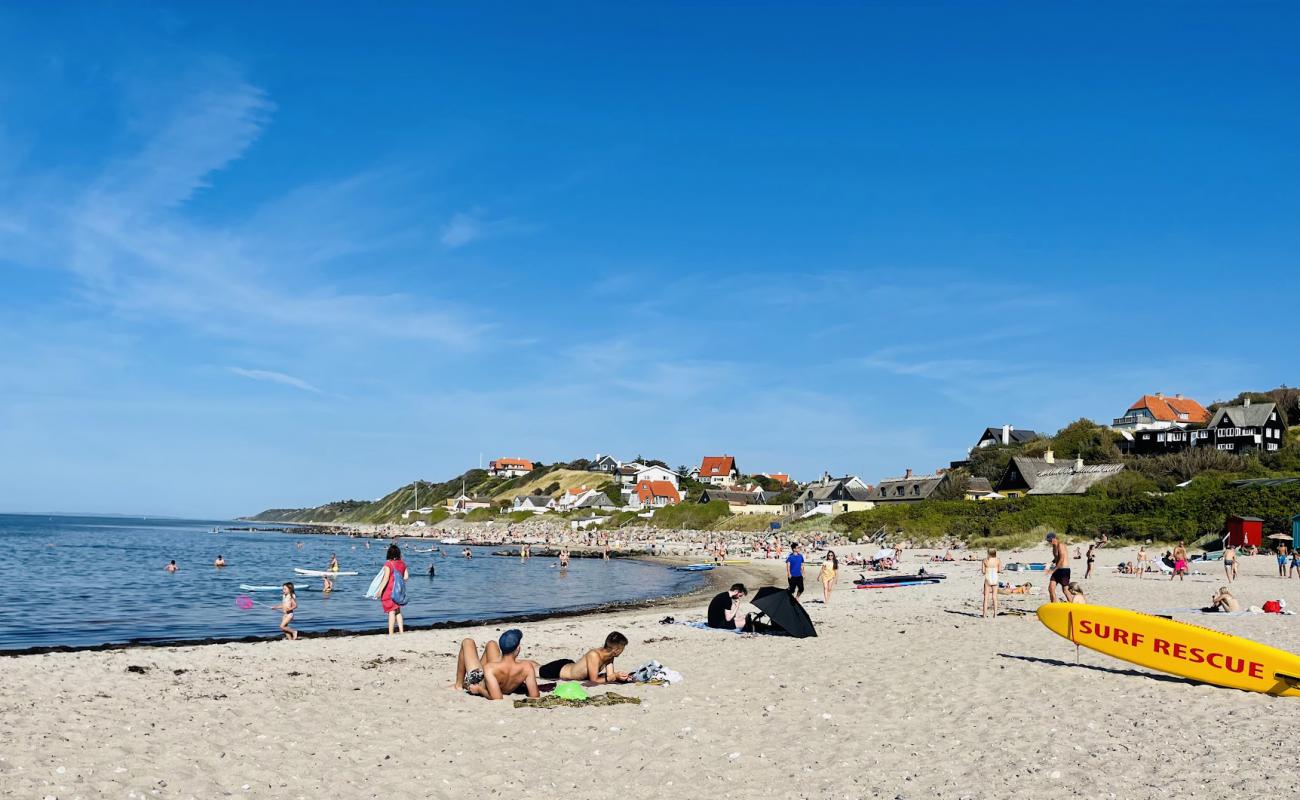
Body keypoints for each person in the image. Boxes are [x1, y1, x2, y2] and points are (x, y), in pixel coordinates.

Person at [453, 629, 540, 700]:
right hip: (498, 678)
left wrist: (479, 690)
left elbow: (497, 697)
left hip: (478, 682)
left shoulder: (489, 668)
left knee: (467, 641)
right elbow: (534, 695)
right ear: (518, 649)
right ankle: (475, 669)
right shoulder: (527, 667)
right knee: (491, 644)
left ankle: (458, 685)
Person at [537, 632, 631, 683]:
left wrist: (619, 676)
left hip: (571, 665)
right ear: (616, 649)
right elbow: (594, 681)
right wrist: (614, 676)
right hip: (558, 671)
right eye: (622, 648)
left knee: (536, 666)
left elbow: (610, 676)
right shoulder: (594, 655)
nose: (623, 650)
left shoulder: (610, 656)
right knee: (534, 670)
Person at [376, 544, 409, 635]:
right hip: (399, 591)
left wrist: (380, 591)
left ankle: (391, 633)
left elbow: (385, 579)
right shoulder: (403, 563)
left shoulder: (388, 564)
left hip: (389, 591)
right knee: (398, 611)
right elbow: (406, 577)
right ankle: (401, 632)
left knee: (391, 611)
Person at [1046, 533, 1072, 603]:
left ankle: (1073, 606)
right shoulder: (1054, 547)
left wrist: (1053, 570)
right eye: (1048, 540)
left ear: (1054, 538)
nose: (1049, 542)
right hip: (1057, 570)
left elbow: (1062, 559)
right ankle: (1054, 606)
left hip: (1064, 570)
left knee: (1065, 590)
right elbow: (1057, 558)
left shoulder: (1060, 545)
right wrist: (1051, 562)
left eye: (1050, 540)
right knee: (1051, 589)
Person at [981, 548, 1001, 619]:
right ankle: (995, 614)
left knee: (986, 597)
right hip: (995, 578)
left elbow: (983, 571)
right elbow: (999, 570)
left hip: (988, 577)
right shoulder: (998, 560)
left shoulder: (985, 560)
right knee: (995, 597)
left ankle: (984, 614)